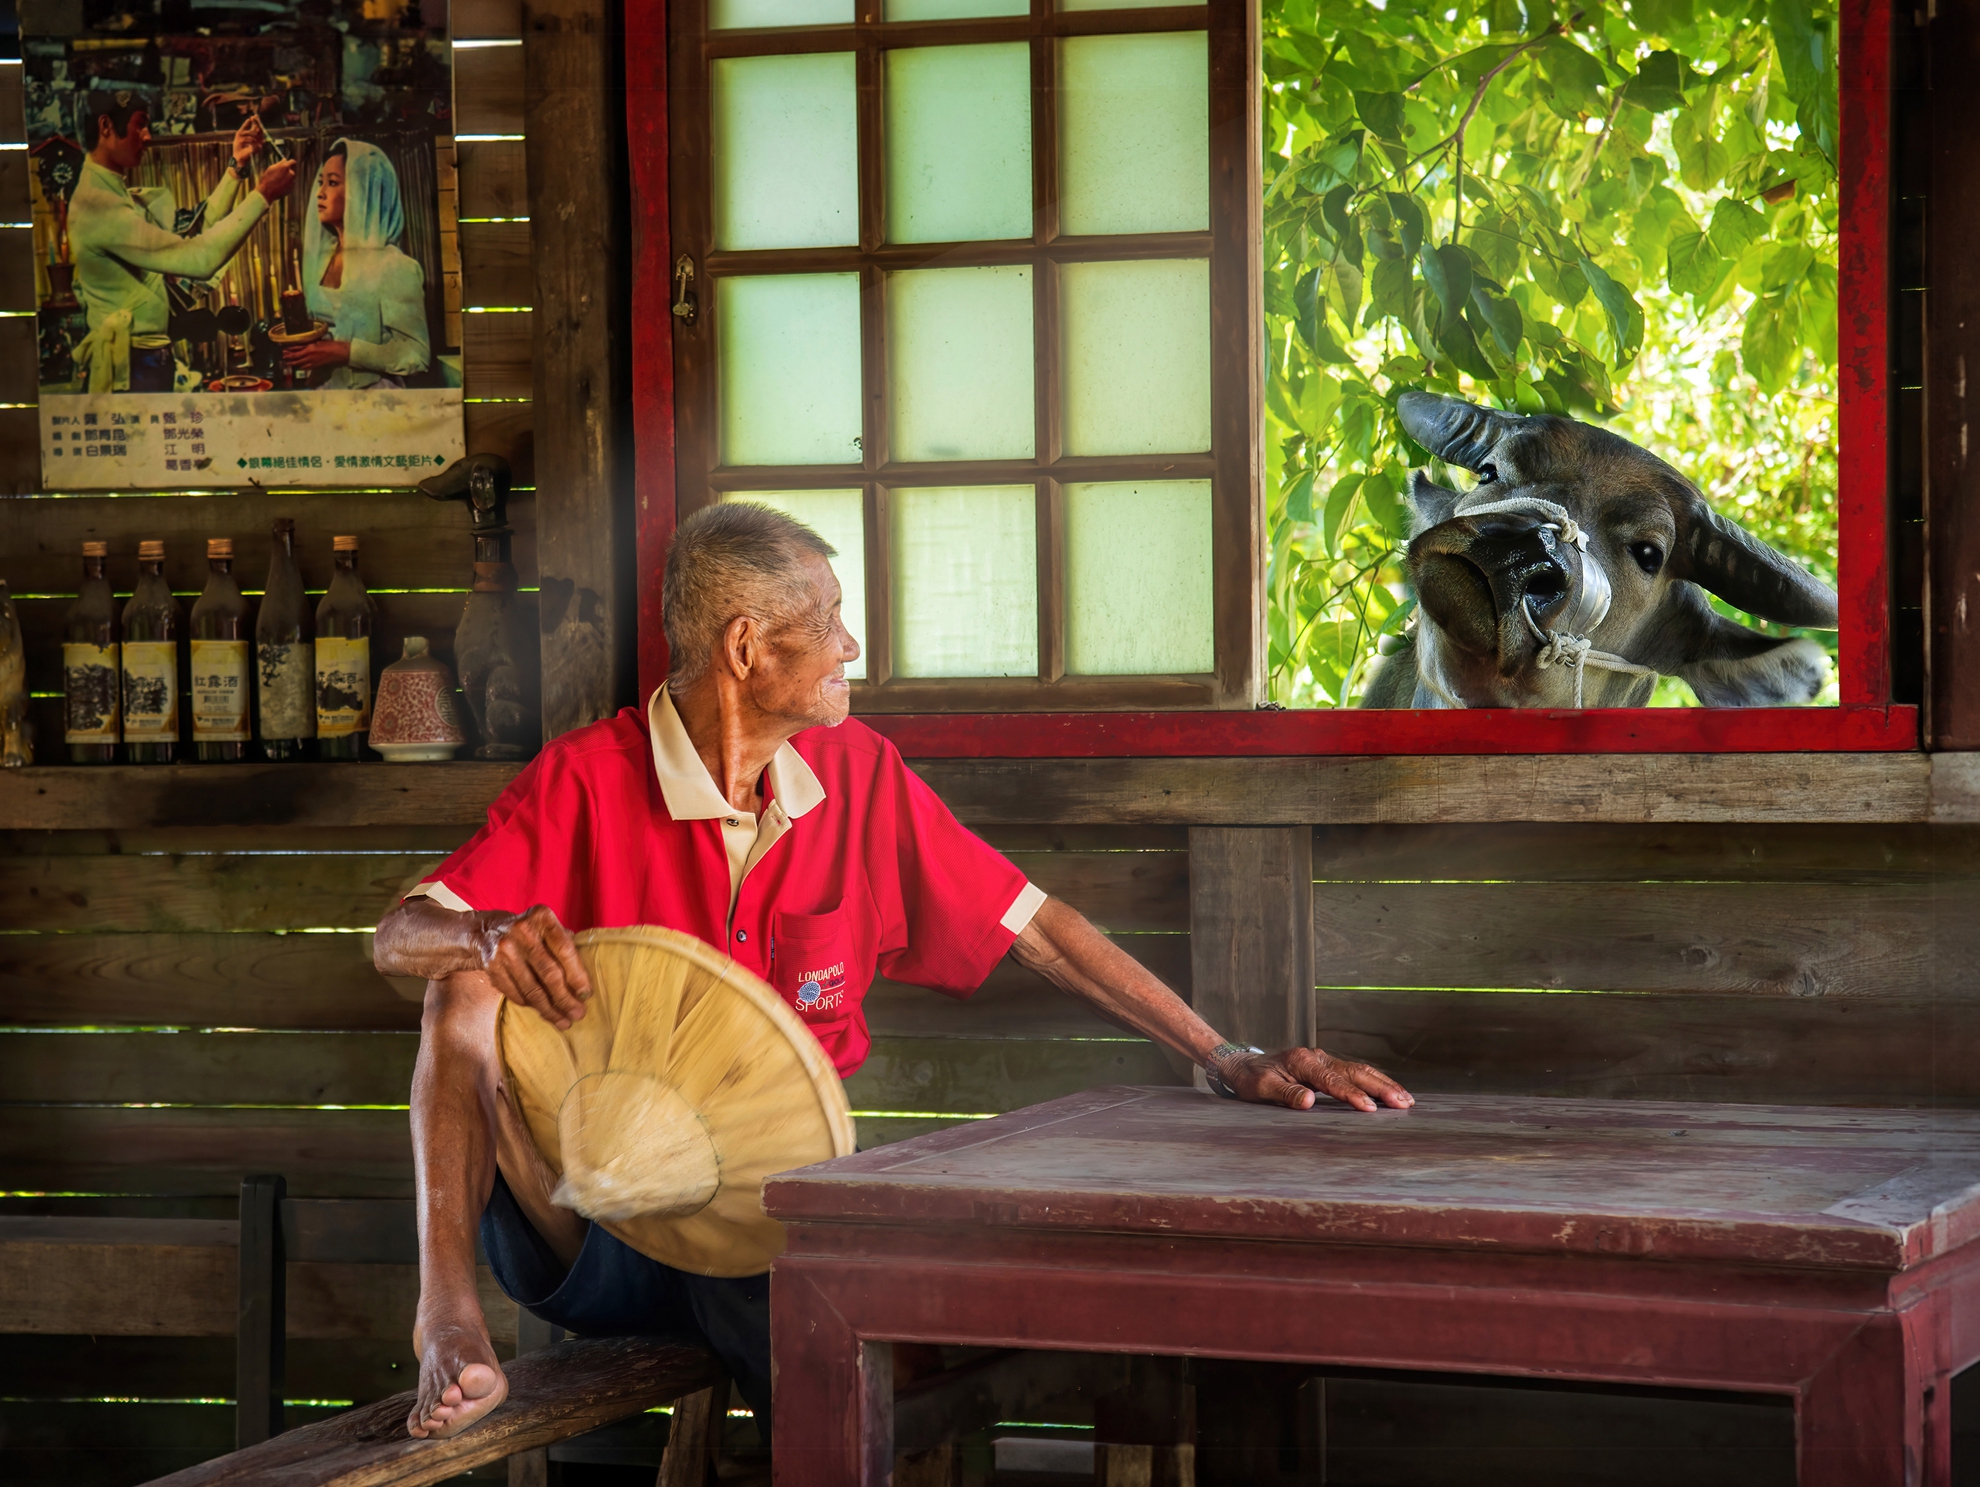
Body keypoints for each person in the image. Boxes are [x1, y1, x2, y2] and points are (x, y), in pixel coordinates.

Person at [372, 503, 1415, 1443]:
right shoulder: (586, 782)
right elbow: (399, 933)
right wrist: (484, 936)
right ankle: (449, 1320)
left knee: (844, 1298)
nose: (849, 646)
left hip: (757, 1210)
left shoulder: (860, 773)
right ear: (746, 646)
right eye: (825, 619)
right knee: (462, 979)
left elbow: (1036, 925)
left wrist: (1222, 1054)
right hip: (586, 1220)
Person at [65, 91, 296, 392]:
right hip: (133, 364)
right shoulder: (99, 205)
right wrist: (263, 194)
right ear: (106, 127)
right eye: (140, 125)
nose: (147, 137)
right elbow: (197, 259)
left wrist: (236, 168)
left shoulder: (111, 193)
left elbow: (193, 239)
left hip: (145, 359)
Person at [282, 139, 431, 389]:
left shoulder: (394, 265)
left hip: (375, 403)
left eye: (332, 182)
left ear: (362, 190)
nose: (320, 192)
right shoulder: (321, 261)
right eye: (320, 183)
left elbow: (416, 355)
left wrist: (341, 352)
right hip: (323, 396)